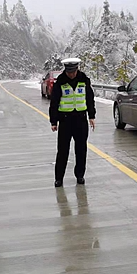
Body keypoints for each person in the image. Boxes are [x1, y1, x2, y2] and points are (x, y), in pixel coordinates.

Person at [49, 57, 96, 187]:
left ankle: (80, 175)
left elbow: (90, 99)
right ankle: (59, 178)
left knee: (81, 150)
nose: (71, 74)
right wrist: (54, 121)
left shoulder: (84, 80)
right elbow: (54, 102)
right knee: (63, 150)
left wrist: (92, 116)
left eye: (73, 72)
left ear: (77, 69)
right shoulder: (61, 82)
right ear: (66, 71)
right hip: (65, 121)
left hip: (81, 120)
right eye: (69, 72)